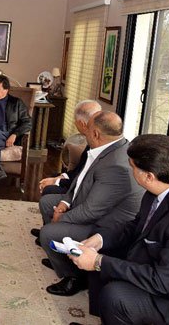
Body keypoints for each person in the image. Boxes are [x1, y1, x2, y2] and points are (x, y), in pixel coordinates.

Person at [70, 134, 169, 325]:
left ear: (149, 176)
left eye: (132, 167)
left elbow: (164, 282)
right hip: (155, 262)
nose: (131, 171)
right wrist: (99, 239)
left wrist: (98, 262)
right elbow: (136, 227)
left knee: (115, 295)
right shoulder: (162, 188)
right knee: (99, 246)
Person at [39, 111, 144, 297]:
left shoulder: (117, 165)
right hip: (87, 202)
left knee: (49, 232)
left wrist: (62, 219)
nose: (84, 131)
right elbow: (79, 180)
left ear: (95, 134)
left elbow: (91, 211)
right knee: (48, 203)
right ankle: (61, 256)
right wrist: (64, 202)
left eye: (87, 128)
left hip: (105, 225)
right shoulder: (104, 147)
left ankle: (73, 277)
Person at [30, 100, 101, 244]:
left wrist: (57, 181)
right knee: (50, 181)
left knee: (50, 189)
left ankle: (52, 234)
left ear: (81, 123)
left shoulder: (97, 142)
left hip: (85, 191)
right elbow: (81, 170)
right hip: (79, 183)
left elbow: (83, 177)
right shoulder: (92, 139)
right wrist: (60, 176)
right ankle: (48, 229)